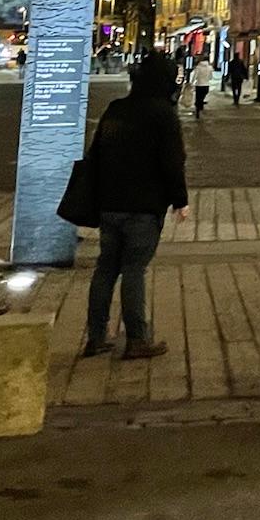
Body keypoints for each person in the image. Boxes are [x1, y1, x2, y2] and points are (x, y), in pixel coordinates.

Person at [82, 53, 188, 360]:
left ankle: (96, 337)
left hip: (110, 205)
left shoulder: (117, 108)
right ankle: (137, 339)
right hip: (144, 208)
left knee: (105, 269)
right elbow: (172, 163)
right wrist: (180, 201)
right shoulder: (163, 114)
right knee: (133, 270)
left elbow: (96, 154)